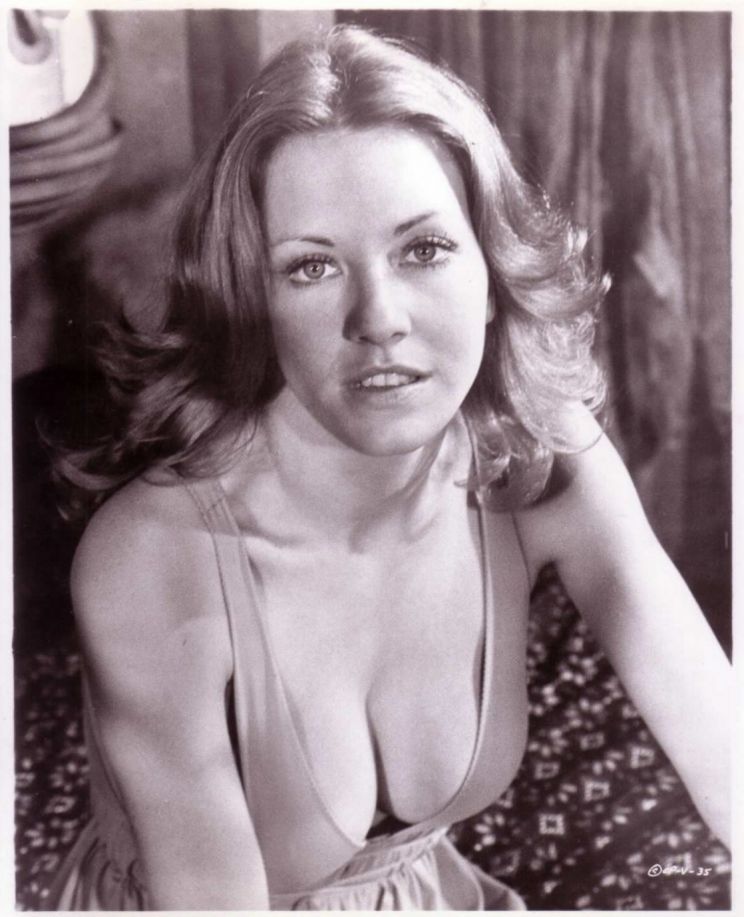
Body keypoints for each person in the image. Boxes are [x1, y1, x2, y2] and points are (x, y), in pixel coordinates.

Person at [47, 24, 730, 911]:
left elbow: (725, 749)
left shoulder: (541, 451)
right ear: (251, 301)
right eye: (311, 266)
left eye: (424, 250)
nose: (379, 319)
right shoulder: (151, 556)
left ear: (493, 270)